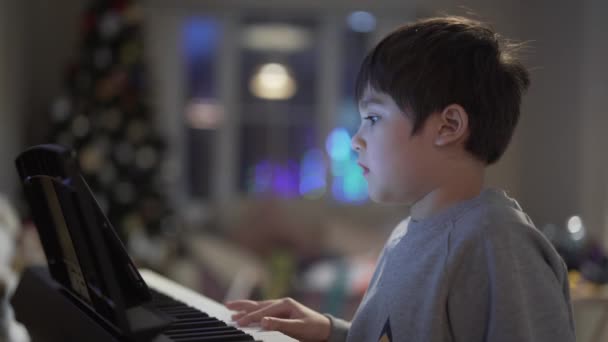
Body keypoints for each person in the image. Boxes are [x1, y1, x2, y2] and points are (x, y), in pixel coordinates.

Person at [226, 16, 575, 342]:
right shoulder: (407, 234)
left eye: (373, 118)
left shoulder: (496, 241)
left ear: (448, 126)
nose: (356, 139)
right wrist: (331, 331)